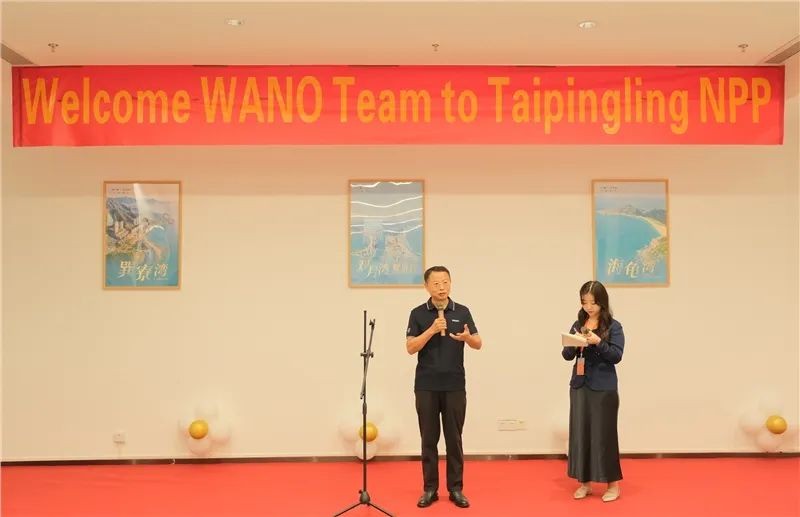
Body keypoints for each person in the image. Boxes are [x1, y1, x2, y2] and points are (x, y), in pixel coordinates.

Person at [405, 266, 482, 509]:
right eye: (436, 283)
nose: (441, 287)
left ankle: (456, 489)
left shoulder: (462, 311)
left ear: (451, 283)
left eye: (445, 282)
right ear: (427, 286)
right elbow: (410, 347)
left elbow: (478, 343)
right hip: (426, 385)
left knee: (454, 439)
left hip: (455, 385)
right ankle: (430, 489)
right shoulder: (418, 313)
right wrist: (431, 330)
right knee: (428, 439)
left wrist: (467, 338)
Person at [561, 280, 625, 502]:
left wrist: (598, 342)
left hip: (603, 388)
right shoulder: (578, 324)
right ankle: (585, 483)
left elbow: (616, 356)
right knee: (581, 434)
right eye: (584, 302)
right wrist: (574, 344)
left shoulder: (613, 326)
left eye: (593, 303)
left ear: (602, 302)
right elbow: (566, 355)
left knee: (604, 436)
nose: (588, 307)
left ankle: (613, 485)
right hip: (580, 386)